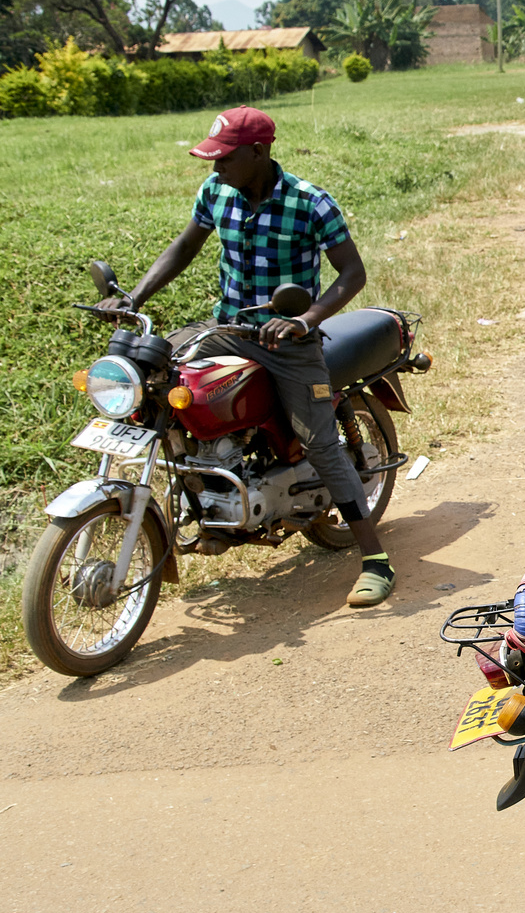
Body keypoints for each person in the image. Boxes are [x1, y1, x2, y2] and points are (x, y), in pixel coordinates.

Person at [93, 106, 394, 607]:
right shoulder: (217, 192)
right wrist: (135, 299)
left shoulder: (310, 203)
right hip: (227, 328)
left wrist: (305, 319)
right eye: (212, 159)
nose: (215, 169)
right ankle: (202, 496)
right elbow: (184, 247)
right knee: (157, 383)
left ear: (259, 152)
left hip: (289, 341)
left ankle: (374, 559)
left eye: (224, 159)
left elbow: (352, 274)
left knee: (318, 439)